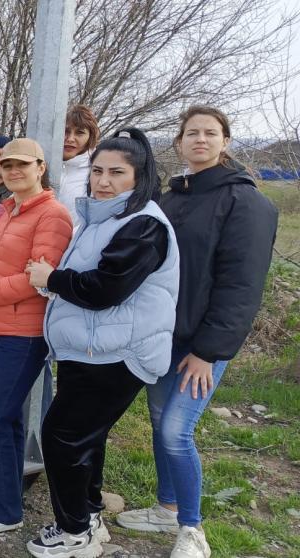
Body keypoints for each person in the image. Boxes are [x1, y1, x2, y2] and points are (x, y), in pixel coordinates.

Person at [115, 106, 278, 558]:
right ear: (179, 142)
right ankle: (166, 508)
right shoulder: (173, 198)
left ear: (225, 141)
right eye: (191, 133)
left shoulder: (247, 203)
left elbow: (241, 286)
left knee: (174, 431)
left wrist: (209, 351)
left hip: (202, 344)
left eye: (210, 133)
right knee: (157, 421)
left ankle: (191, 530)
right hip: (163, 336)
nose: (200, 140)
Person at [21, 129, 179, 558]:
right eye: (97, 171)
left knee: (61, 437)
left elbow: (104, 289)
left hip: (117, 354)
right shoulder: (102, 218)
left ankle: (74, 533)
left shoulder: (143, 224)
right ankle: (88, 517)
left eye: (117, 172)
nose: (103, 180)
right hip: (90, 349)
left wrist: (50, 279)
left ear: (139, 176)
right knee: (84, 438)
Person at [0, 138, 73, 536]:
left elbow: (36, 280)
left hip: (24, 334)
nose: (13, 171)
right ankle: (0, 498)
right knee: (5, 420)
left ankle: (5, 512)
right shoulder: (8, 209)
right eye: (7, 166)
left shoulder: (52, 216)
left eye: (22, 165)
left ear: (40, 167)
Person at [59, 105, 101, 225]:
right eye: (66, 131)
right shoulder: (41, 166)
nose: (70, 139)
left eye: (79, 133)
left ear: (90, 137)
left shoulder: (96, 172)